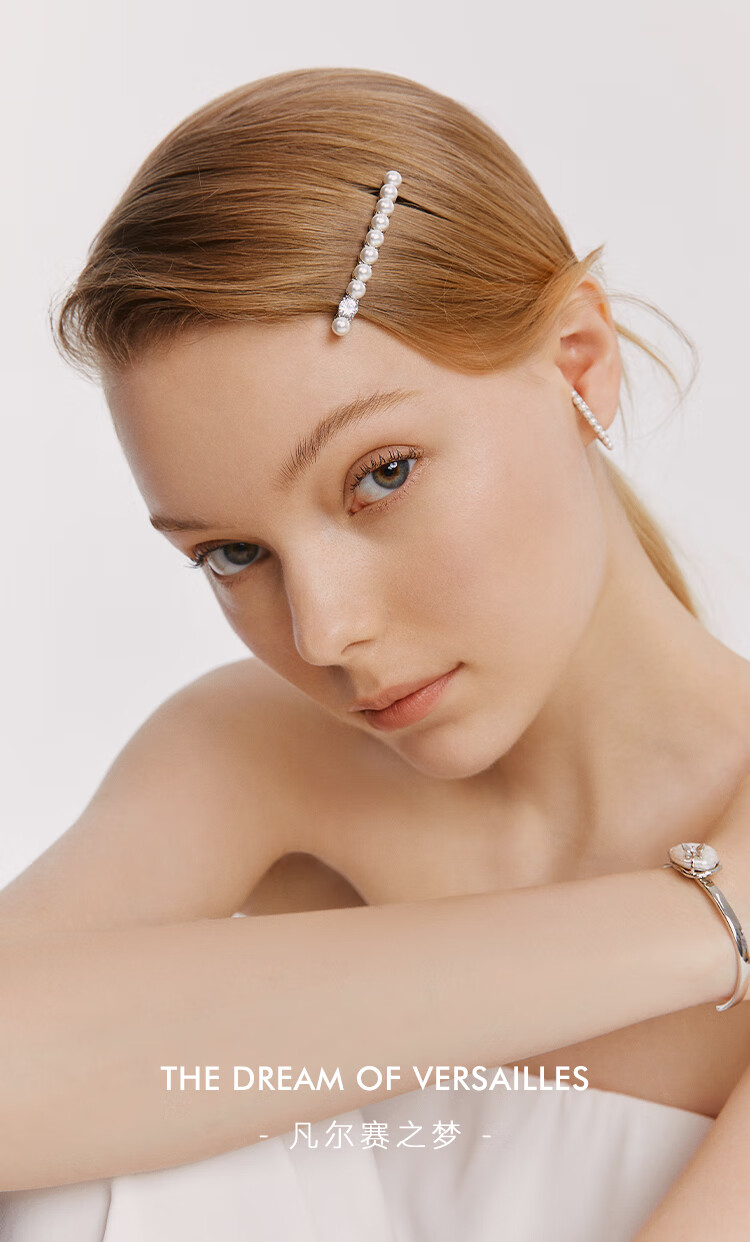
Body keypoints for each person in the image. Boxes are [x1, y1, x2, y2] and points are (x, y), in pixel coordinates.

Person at [1, 65, 750, 1241]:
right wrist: (699, 927)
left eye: (382, 476)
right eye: (232, 553)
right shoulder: (254, 759)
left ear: (578, 361)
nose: (322, 631)